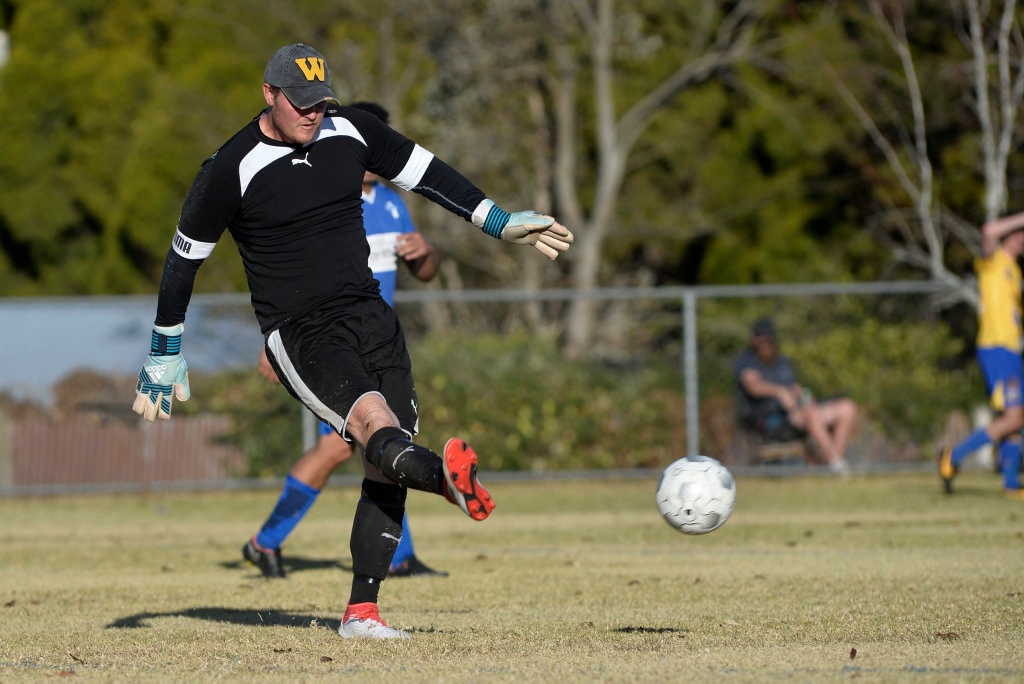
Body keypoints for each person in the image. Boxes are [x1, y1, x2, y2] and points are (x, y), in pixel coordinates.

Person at [132, 43, 573, 640]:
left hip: (371, 315)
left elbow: (429, 175)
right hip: (302, 330)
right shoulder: (230, 168)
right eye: (300, 103)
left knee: (388, 461)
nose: (313, 114)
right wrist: (165, 348)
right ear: (269, 95)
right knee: (372, 428)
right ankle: (446, 481)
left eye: (321, 102)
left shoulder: (352, 130)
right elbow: (184, 260)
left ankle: (362, 612)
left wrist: (497, 220)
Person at [243, 101, 446, 580]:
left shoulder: (393, 205)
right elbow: (285, 276)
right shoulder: (322, 197)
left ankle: (399, 556)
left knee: (388, 439)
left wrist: (425, 252)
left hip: (378, 342)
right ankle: (265, 540)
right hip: (326, 344)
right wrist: (274, 341)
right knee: (344, 448)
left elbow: (427, 274)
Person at [940, 214, 1024, 498]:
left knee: (1015, 417)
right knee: (1013, 417)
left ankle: (1011, 483)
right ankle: (954, 455)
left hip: (1011, 352)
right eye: (1018, 233)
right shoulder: (994, 261)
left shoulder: (1014, 269)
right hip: (995, 349)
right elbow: (988, 230)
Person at [735, 317, 857, 473]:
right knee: (810, 413)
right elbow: (753, 385)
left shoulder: (783, 362)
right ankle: (835, 464)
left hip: (800, 415)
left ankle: (834, 462)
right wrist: (780, 392)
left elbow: (797, 388)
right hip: (772, 422)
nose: (765, 344)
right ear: (753, 340)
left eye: (768, 339)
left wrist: (807, 398)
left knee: (847, 408)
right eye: (761, 340)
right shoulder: (747, 361)